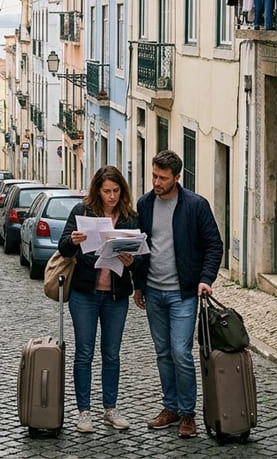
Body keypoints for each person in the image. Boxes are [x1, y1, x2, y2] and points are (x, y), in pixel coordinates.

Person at [131, 150, 223, 438]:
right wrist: (138, 285)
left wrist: (206, 279)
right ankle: (169, 408)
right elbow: (139, 247)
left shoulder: (195, 206)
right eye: (154, 176)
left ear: (177, 178)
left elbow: (213, 245)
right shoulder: (145, 204)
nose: (156, 182)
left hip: (183, 293)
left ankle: (188, 414)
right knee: (162, 353)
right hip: (153, 291)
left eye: (163, 178)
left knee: (181, 352)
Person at [57, 165, 139, 433]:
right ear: (97, 191)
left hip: (116, 296)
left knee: (112, 354)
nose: (112, 196)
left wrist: (130, 262)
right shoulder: (82, 212)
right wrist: (73, 239)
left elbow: (140, 259)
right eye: (107, 191)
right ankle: (83, 413)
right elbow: (63, 247)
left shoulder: (129, 217)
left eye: (116, 191)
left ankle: (110, 409)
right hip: (85, 294)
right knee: (84, 352)